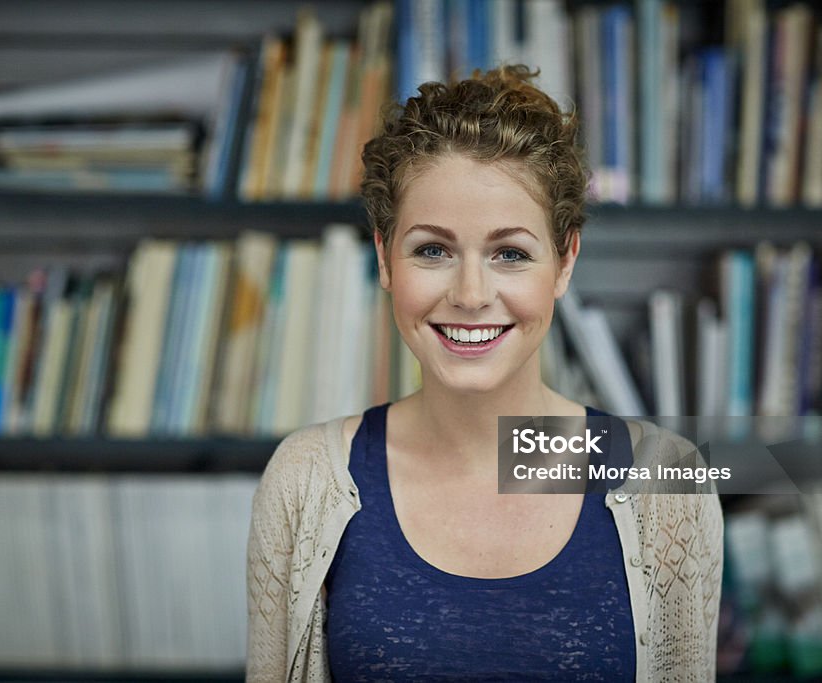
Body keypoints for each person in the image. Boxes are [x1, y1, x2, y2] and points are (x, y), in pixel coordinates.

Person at [246, 65, 723, 682]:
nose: (471, 295)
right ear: (384, 258)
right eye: (432, 250)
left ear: (565, 261)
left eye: (510, 254)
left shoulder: (667, 484)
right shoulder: (303, 481)